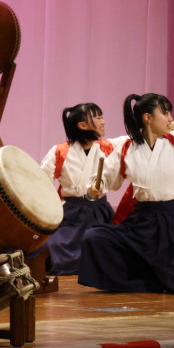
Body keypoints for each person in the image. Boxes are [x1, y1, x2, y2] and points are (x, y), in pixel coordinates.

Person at [79, 93, 174, 294]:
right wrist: (92, 190)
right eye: (165, 113)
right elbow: (102, 180)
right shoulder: (127, 148)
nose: (171, 118)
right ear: (148, 118)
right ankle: (149, 282)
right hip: (142, 221)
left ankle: (167, 277)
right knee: (94, 238)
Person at [39, 103, 127, 276]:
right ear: (83, 125)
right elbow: (42, 182)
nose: (104, 122)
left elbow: (137, 138)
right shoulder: (59, 151)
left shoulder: (108, 147)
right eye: (99, 117)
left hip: (99, 212)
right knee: (51, 245)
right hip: (71, 213)